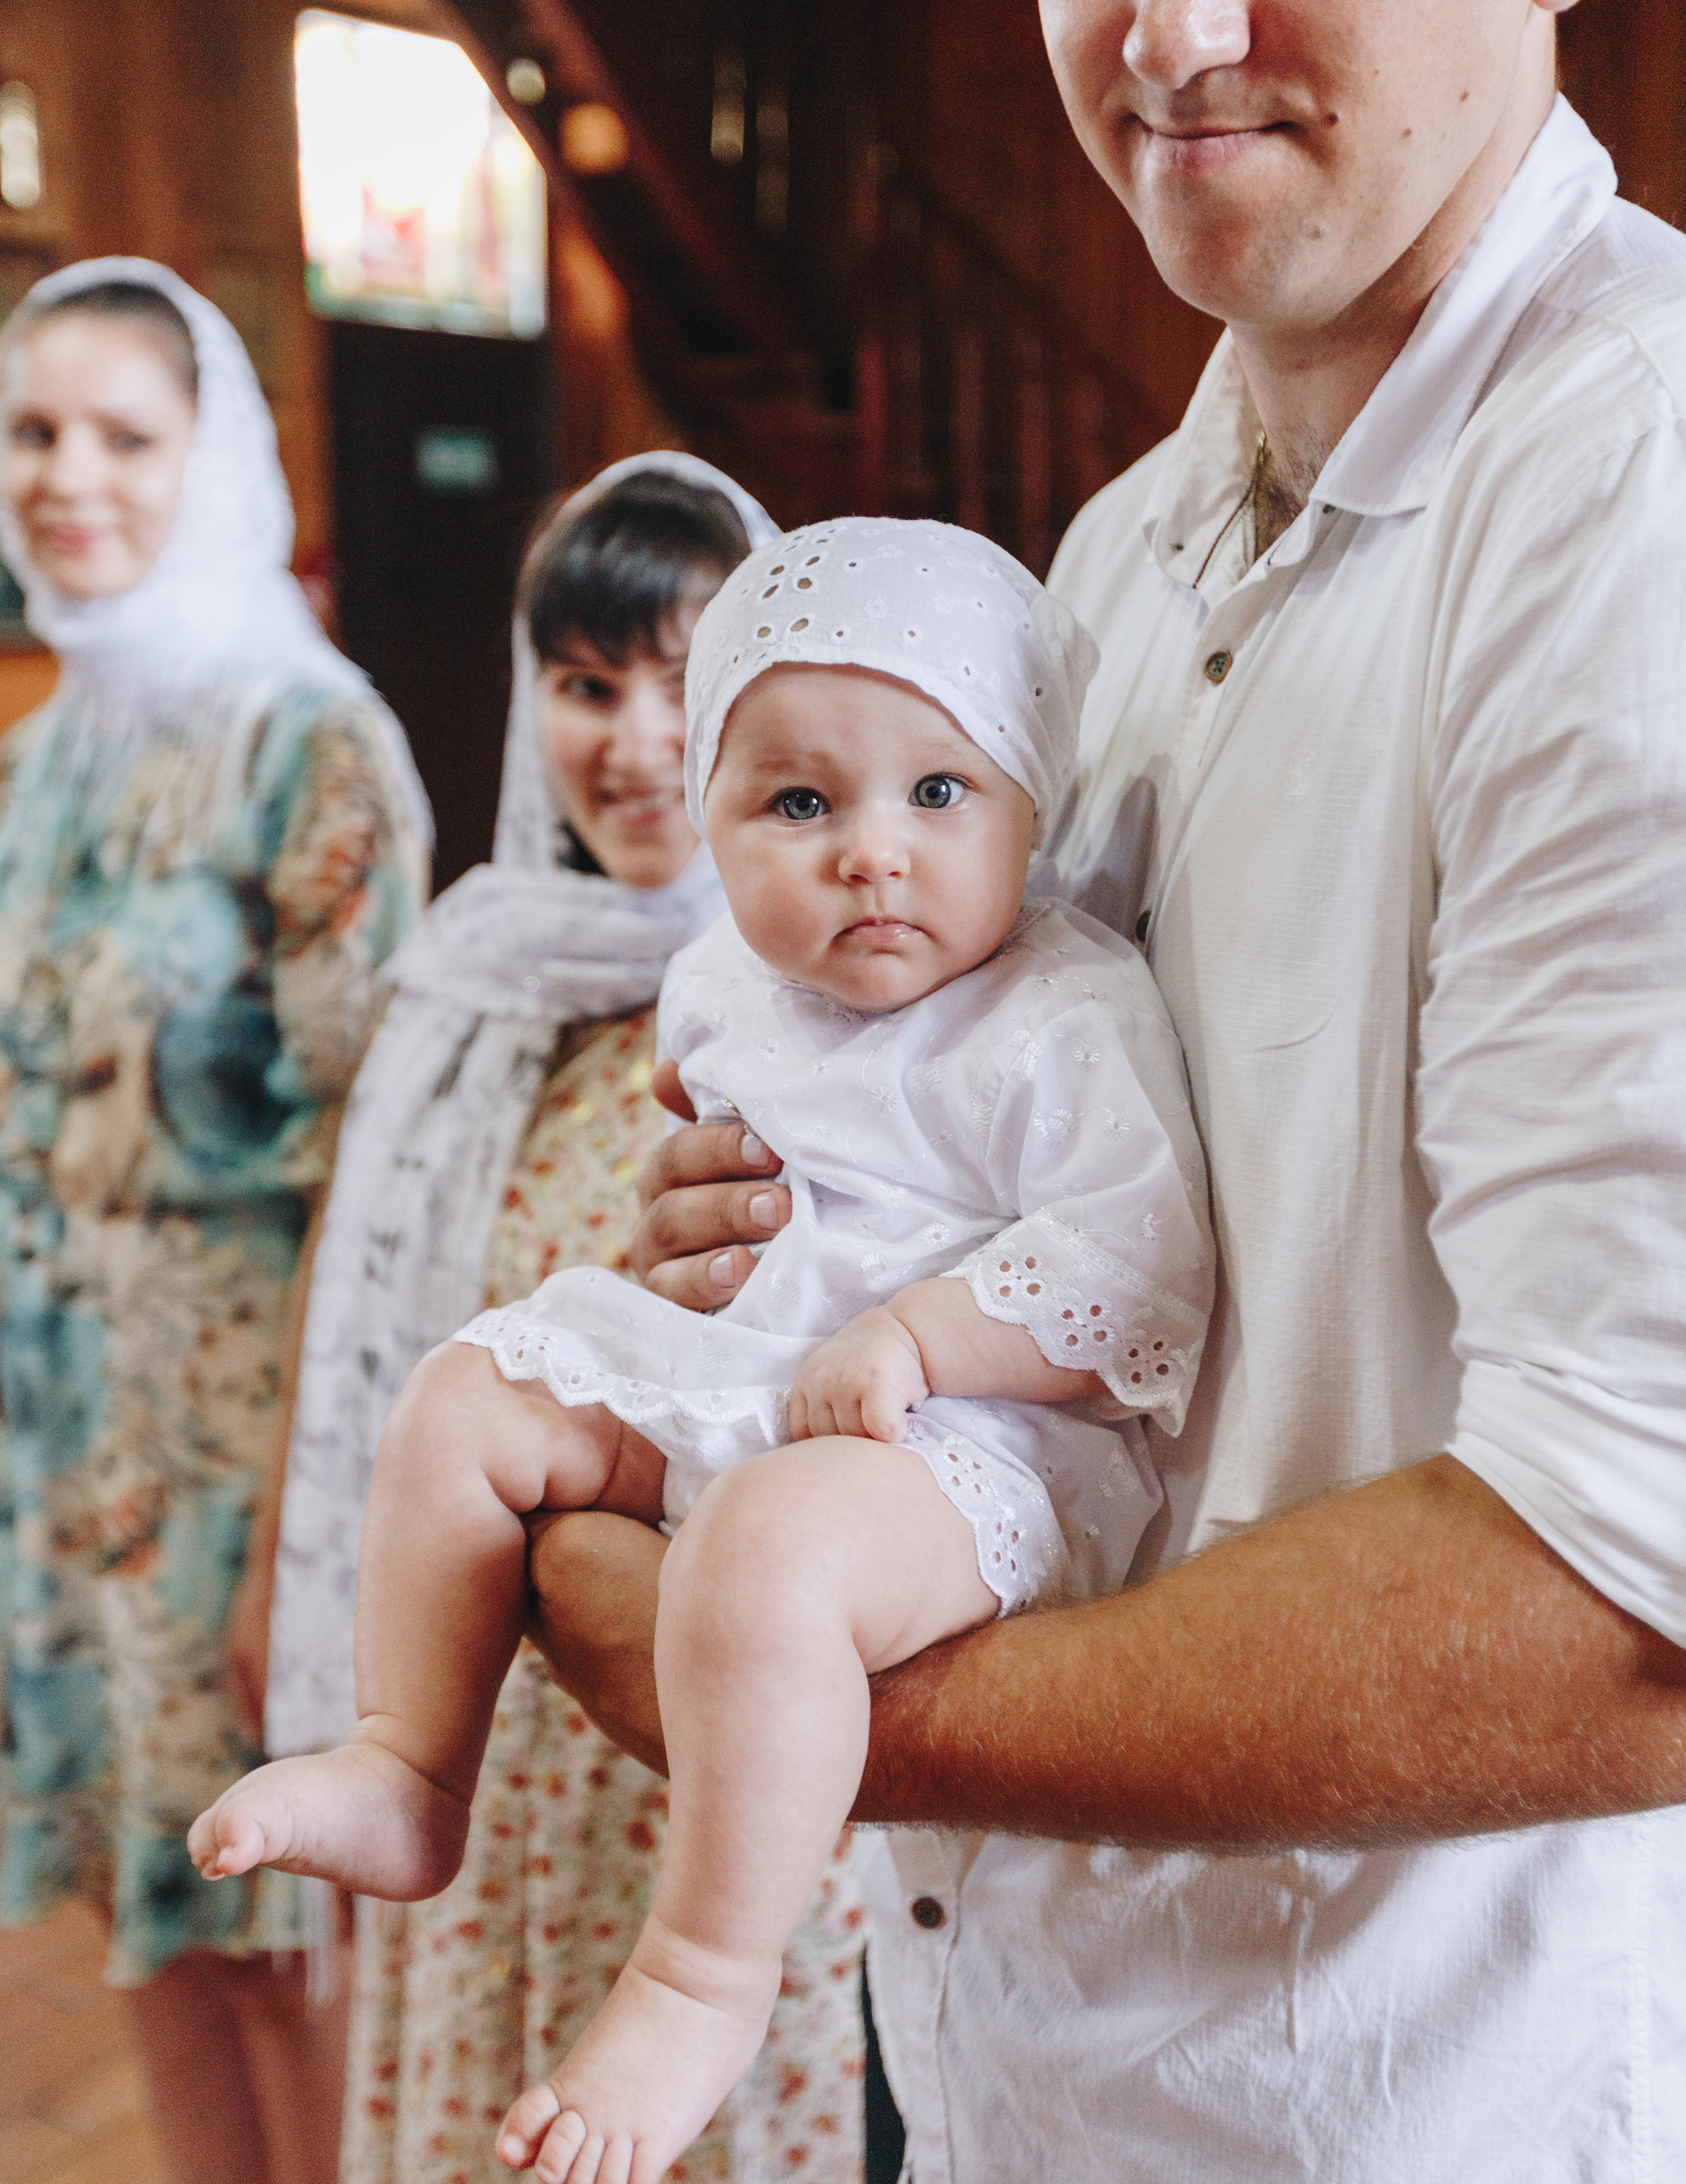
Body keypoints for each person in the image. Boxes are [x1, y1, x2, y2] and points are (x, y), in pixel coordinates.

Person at [525, 0, 1686, 2179]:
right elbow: (1151, 1256)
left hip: (1393, 2107)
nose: (1166, 30)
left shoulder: (1642, 506)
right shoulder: (1115, 563)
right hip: (1012, 2059)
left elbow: (1643, 1594)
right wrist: (836, 1200)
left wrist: (774, 1668)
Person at [190, 516, 1215, 2184]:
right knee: (467, 1396)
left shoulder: (1060, 1011)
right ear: (719, 816)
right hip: (755, 1382)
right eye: (799, 804)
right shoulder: (725, 987)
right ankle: (407, 1759)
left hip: (971, 1454)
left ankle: (698, 1979)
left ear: (1030, 798)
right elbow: (700, 1174)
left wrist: (919, 1329)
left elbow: (1139, 1266)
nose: (870, 853)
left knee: (764, 1547)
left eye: (936, 794)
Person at [254, 455, 869, 2184]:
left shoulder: (825, 1019)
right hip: (485, 1724)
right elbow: (372, 1319)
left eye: (686, 683)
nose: (630, 735)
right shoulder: (471, 982)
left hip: (694, 1732)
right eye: (587, 685)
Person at [0, 259, 428, 2184]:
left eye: (122, 435)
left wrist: (308, 1543)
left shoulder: (310, 745)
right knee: (138, 1919)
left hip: (254, 1458)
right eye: (32, 433)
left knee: (278, 1944)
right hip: (64, 1435)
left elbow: (385, 1154)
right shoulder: (43, 755)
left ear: (216, 455)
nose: (68, 475)